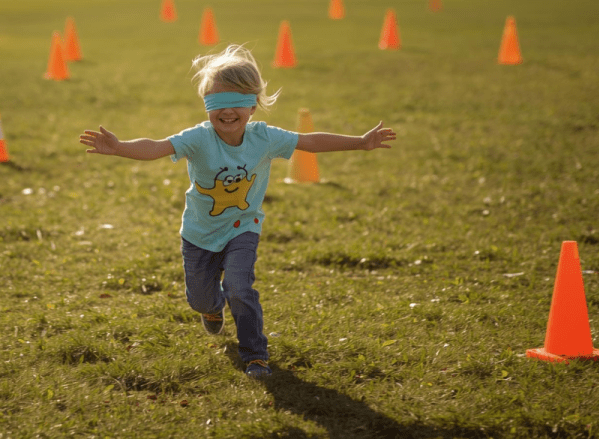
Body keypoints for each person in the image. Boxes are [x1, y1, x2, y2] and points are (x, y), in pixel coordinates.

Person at [79, 44, 396, 378]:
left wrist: (361, 142)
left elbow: (310, 142)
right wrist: (120, 148)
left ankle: (255, 355)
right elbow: (157, 147)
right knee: (201, 300)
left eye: (237, 102)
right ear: (206, 104)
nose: (227, 112)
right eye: (218, 103)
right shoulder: (198, 138)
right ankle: (212, 309)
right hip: (199, 232)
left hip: (243, 227)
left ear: (253, 106)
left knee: (239, 288)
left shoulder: (265, 137)